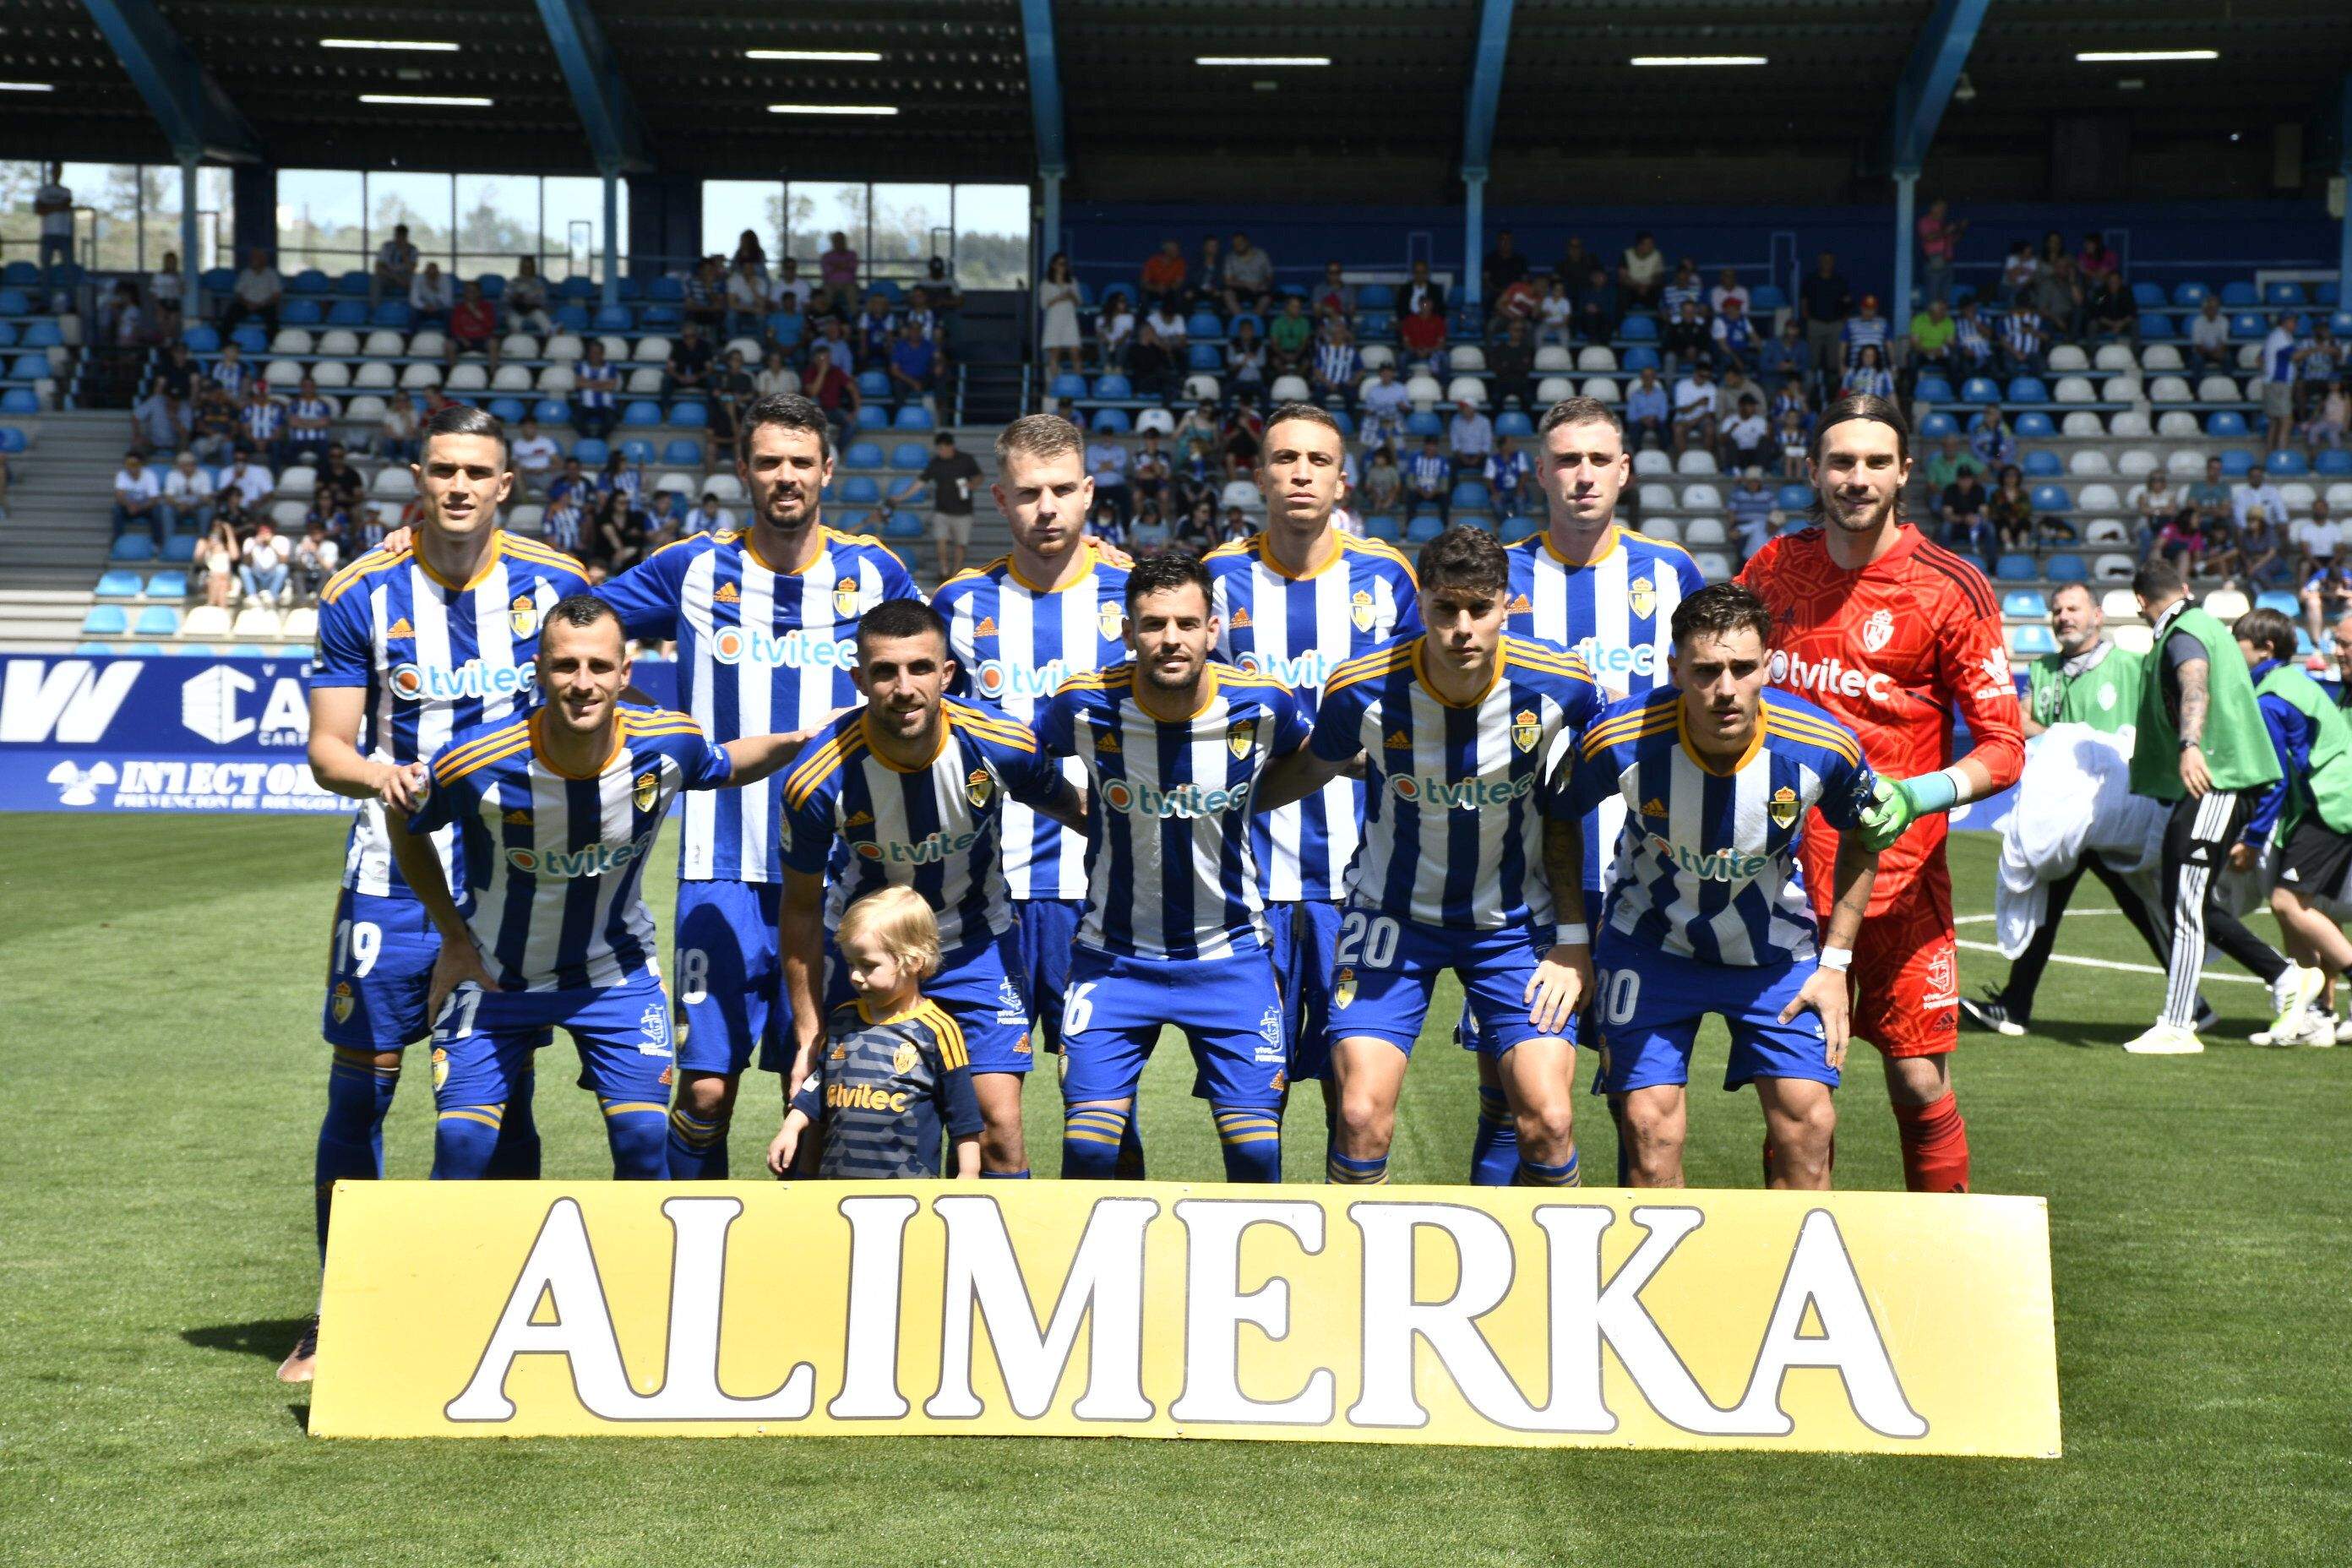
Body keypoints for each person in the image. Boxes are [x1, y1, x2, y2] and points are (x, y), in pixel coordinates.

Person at [283, 404, 591, 1384]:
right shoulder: (361, 592)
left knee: (504, 1092)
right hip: (390, 876)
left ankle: (494, 1302)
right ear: (420, 476)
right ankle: (344, 1308)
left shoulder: (557, 585)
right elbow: (327, 745)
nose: (460, 485)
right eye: (444, 469)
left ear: (508, 484)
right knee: (360, 1087)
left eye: (479, 472)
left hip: (514, 877)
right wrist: (381, 775)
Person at [586, 393, 919, 1178]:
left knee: (818, 1083)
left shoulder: (876, 570)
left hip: (843, 872)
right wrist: (640, 726)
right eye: (768, 462)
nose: (785, 477)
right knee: (705, 1089)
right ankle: (688, 1255)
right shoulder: (693, 567)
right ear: (743, 470)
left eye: (801, 462)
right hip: (720, 867)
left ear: (828, 471)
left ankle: (800, 1270)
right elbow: (572, 624)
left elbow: (936, 674)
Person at [388, 595, 806, 1182]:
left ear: (624, 674)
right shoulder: (477, 760)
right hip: (492, 974)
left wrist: (801, 741)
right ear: (539, 672)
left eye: (599, 667)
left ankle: (642, 1273)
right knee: (460, 1146)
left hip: (615, 973)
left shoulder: (668, 743)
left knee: (642, 1138)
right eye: (566, 666)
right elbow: (406, 819)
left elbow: (726, 763)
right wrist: (452, 936)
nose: (583, 683)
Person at [1738, 394, 2026, 1192]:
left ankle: (1943, 1264)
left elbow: (2004, 748)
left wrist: (1918, 793)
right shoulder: (1772, 568)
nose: (1856, 478)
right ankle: (1793, 1267)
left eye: (1874, 463)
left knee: (1918, 1084)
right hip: (1785, 885)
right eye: (1840, 462)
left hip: (1900, 882)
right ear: (1814, 472)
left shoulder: (1950, 587)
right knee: (1798, 1102)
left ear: (1903, 472)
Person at [1256, 526, 1601, 1190]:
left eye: (1480, 609)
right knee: (1358, 1113)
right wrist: (1228, 803)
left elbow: (1584, 794)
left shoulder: (1564, 686)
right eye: (1446, 609)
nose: (1463, 628)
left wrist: (1574, 938)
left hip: (1511, 926)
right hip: (1392, 917)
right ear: (1422, 604)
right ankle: (1359, 1283)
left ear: (1508, 604)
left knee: (1551, 1120)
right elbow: (1311, 770)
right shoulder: (1360, 688)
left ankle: (1548, 1287)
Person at [1562, 584, 1880, 1189]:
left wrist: (1836, 964)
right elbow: (1556, 816)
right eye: (1706, 671)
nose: (1725, 689)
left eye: (1741, 668)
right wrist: (1572, 938)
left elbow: (1866, 835)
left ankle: (1790, 1280)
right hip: (1649, 945)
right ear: (1675, 670)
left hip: (1774, 953)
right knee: (1649, 1133)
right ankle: (1661, 1284)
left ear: (1769, 665)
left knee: (1809, 1126)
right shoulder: (1620, 738)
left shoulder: (1822, 747)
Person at [776, 595, 1087, 1178]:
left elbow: (1081, 813)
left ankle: (983, 1265)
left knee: (999, 1130)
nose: (904, 686)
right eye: (885, 671)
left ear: (946, 673)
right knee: (828, 1126)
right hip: (864, 959)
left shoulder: (1001, 744)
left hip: (975, 948)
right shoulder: (814, 781)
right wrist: (809, 1032)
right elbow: (797, 908)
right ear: (859, 679)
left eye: (920, 668)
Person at [1476, 395, 1705, 1184]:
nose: (1582, 477)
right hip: (1522, 870)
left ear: (1625, 472)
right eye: (1566, 461)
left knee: (1635, 1099)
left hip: (1640, 872)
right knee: (1513, 1095)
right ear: (1540, 472)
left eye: (1598, 460)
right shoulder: (1500, 576)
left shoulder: (1669, 572)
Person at [1033, 553, 1309, 1182]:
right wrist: (1078, 810)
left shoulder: (1262, 705)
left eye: (1187, 623)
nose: (1171, 639)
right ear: (1128, 632)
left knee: (1256, 1151)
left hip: (1231, 957)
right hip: (1113, 958)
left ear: (1213, 629)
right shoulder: (1083, 704)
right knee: (1089, 1148)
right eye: (1153, 624)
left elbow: (1317, 757)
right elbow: (1022, 761)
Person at [1202, 405, 1422, 1125]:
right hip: (1244, 875)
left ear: (1342, 480)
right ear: (1259, 474)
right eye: (1285, 459)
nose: (1301, 473)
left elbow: (1420, 712)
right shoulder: (1218, 579)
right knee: (1251, 1093)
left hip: (1358, 878)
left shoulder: (1386, 576)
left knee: (1351, 1090)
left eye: (1318, 461)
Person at [1962, 583, 2188, 1037]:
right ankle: (2016, 1004)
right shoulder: (2044, 670)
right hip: (2066, 817)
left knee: (2142, 904)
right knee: (2088, 899)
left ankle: (2016, 1005)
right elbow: (2018, 721)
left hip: (2116, 813)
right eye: (2057, 609)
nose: (2064, 616)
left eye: (2074, 608)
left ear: (2099, 616)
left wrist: (2054, 734)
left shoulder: (2129, 665)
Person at [2119, 561, 2326, 1053]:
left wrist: (2189, 743)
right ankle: (2287, 980)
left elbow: (2194, 680)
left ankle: (2178, 1023)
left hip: (2217, 778)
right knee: (2185, 897)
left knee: (2185, 901)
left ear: (2140, 603)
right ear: (2186, 589)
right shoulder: (2206, 624)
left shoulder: (2182, 632)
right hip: (2217, 779)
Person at [768, 887, 983, 1179]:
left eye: (868, 966)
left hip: (908, 1194)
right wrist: (791, 1128)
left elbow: (964, 1116)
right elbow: (816, 1084)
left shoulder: (938, 1030)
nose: (855, 975)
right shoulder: (843, 1020)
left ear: (914, 961)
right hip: (836, 1190)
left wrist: (968, 1173)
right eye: (851, 964)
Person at [2233, 608, 2352, 1046]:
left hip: (2329, 803)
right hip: (2322, 804)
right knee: (2295, 915)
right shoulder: (2287, 683)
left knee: (2287, 903)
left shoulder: (2271, 697)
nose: (2232, 653)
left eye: (2238, 644)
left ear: (2265, 647)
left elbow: (2276, 777)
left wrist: (2253, 837)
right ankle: (2314, 1014)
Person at [917, 429, 983, 582]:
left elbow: (979, 476)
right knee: (941, 539)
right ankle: (944, 569)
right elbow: (921, 481)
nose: (940, 452)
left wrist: (972, 484)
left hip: (963, 510)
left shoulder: (966, 460)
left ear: (950, 446)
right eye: (938, 449)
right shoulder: (936, 463)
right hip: (942, 510)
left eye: (942, 448)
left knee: (961, 543)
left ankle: (955, 573)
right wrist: (902, 496)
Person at [1799, 251, 1852, 390]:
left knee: (1834, 363)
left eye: (1829, 260)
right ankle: (1811, 393)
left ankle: (1832, 392)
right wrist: (1808, 318)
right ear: (1819, 261)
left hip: (1835, 324)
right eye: (1824, 260)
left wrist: (1843, 321)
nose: (1826, 263)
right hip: (1815, 323)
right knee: (1812, 362)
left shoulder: (1839, 281)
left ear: (1833, 262)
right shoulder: (1811, 280)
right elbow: (1804, 302)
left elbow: (1847, 302)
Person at [1037, 253, 1081, 383]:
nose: (1063, 267)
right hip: (1054, 320)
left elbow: (1078, 302)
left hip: (1069, 320)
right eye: (1061, 264)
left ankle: (1077, 384)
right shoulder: (1046, 283)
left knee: (1075, 352)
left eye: (1065, 264)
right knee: (1054, 353)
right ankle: (1055, 384)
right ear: (1054, 265)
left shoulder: (1072, 281)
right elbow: (1043, 304)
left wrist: (1071, 295)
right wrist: (1059, 297)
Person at [1917, 198, 1966, 306]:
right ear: (1933, 208)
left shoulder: (1943, 223)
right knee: (1933, 298)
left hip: (1948, 262)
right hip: (1934, 262)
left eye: (1944, 209)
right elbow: (1928, 237)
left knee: (1945, 298)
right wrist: (1945, 231)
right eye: (1941, 208)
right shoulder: (1925, 221)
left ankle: (1943, 321)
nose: (1943, 211)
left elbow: (1952, 241)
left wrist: (1961, 229)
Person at [223, 248, 281, 337]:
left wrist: (262, 304)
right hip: (246, 305)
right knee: (231, 313)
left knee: (273, 318)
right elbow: (238, 294)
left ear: (263, 260)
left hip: (265, 305)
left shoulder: (272, 274)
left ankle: (272, 343)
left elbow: (276, 295)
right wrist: (248, 304)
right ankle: (226, 341)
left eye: (257, 258)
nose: (253, 260)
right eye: (252, 258)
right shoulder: (245, 273)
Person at [112, 450, 164, 543]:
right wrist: (128, 505)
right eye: (129, 464)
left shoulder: (149, 475)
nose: (132, 467)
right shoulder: (122, 475)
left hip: (145, 507)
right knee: (117, 509)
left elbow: (154, 499)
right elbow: (119, 496)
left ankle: (158, 543)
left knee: (157, 510)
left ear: (141, 464)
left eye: (135, 464)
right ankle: (117, 542)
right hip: (129, 507)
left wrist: (139, 507)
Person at [1404, 434, 1451, 527]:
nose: (1430, 448)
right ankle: (1409, 526)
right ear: (1424, 446)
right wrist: (1420, 490)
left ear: (1437, 447)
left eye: (1433, 446)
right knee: (1410, 496)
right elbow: (1410, 480)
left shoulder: (1442, 460)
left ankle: (1445, 527)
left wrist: (1434, 491)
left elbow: (1444, 483)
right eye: (1428, 445)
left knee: (1445, 498)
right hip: (1418, 490)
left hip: (1436, 492)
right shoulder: (1415, 458)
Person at [373, 224, 418, 305]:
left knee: (416, 282)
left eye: (402, 236)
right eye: (398, 235)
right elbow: (378, 267)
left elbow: (412, 269)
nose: (400, 238)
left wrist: (404, 253)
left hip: (405, 277)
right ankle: (375, 309)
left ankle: (413, 310)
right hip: (389, 275)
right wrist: (395, 277)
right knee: (376, 280)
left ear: (406, 236)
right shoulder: (387, 247)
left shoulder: (413, 249)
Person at [408, 262, 453, 329]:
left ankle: (449, 338)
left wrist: (436, 291)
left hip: (439, 309)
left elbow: (448, 302)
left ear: (438, 273)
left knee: (448, 313)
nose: (431, 276)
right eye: (429, 274)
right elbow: (413, 299)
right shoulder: (418, 278)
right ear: (425, 273)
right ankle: (412, 338)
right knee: (413, 313)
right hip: (423, 309)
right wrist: (424, 306)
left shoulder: (445, 279)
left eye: (434, 274)